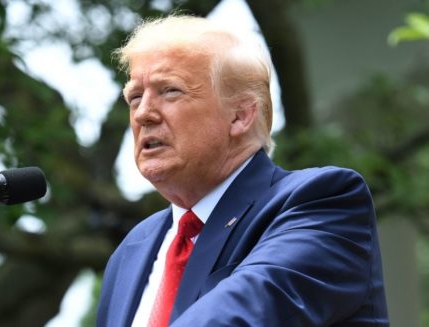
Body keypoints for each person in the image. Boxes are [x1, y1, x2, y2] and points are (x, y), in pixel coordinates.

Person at [97, 15, 388, 327]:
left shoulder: (322, 202)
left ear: (240, 115)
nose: (143, 114)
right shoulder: (132, 249)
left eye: (169, 91)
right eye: (135, 97)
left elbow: (243, 313)